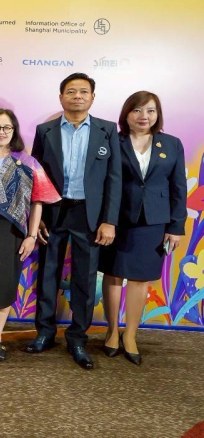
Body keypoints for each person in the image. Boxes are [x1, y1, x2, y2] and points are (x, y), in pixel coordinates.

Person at [28, 73, 122, 370]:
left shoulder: (107, 130)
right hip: (54, 211)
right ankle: (45, 332)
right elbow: (35, 175)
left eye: (83, 91)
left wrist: (109, 220)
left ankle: (77, 337)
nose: (77, 96)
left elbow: (114, 178)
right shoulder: (45, 130)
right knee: (48, 273)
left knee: (85, 276)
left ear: (92, 97)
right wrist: (36, 216)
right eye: (71, 91)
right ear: (61, 97)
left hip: (89, 215)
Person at [99, 92, 186, 366]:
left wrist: (176, 226)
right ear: (126, 114)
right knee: (113, 275)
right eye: (137, 110)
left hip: (154, 221)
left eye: (150, 110)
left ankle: (131, 335)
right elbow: (103, 182)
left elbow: (178, 188)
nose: (143, 116)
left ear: (157, 114)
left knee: (141, 279)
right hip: (116, 219)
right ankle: (112, 332)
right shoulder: (113, 141)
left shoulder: (171, 144)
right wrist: (105, 220)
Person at [0, 109, 60, 360]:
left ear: (14, 131)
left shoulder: (28, 163)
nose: (1, 132)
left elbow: (37, 201)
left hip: (14, 233)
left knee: (6, 284)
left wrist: (31, 236)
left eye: (7, 127)